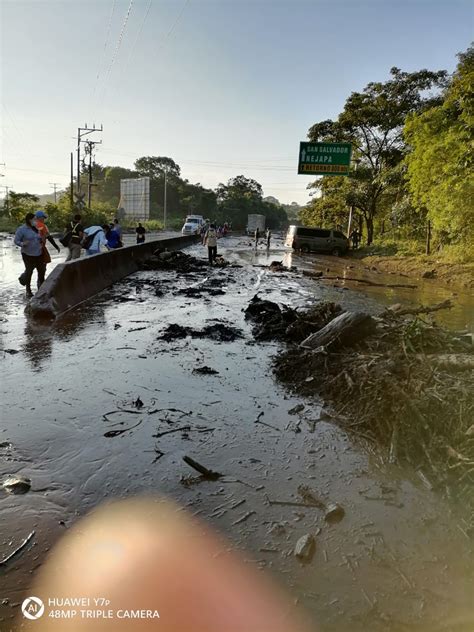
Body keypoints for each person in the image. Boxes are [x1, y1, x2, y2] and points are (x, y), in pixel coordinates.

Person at [14, 213, 45, 297]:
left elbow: (39, 238)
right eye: (34, 219)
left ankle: (41, 290)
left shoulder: (36, 228)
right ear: (29, 220)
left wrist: (41, 240)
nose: (36, 221)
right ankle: (28, 290)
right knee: (29, 271)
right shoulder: (21, 229)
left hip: (38, 253)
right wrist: (22, 243)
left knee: (41, 271)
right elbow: (16, 241)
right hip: (27, 254)